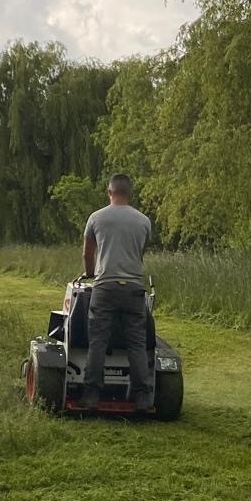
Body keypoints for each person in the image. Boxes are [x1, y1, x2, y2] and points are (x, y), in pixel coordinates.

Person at [80, 173, 153, 409]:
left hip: (105, 287)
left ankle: (91, 395)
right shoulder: (144, 221)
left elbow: (88, 253)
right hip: (133, 288)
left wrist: (90, 273)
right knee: (136, 343)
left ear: (109, 192)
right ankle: (142, 397)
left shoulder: (96, 218)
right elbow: (139, 253)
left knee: (98, 341)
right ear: (129, 193)